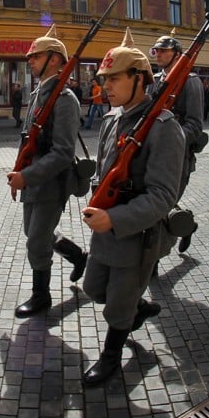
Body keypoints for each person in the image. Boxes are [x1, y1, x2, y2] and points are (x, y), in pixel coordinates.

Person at [79, 29, 185, 385]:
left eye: (113, 78)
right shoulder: (112, 118)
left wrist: (115, 217)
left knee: (116, 308)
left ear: (139, 79)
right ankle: (137, 308)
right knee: (94, 289)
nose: (105, 86)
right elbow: (103, 170)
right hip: (106, 230)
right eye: (102, 79)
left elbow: (162, 196)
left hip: (135, 234)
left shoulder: (164, 128)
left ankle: (111, 358)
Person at [6, 25, 83, 317]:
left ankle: (42, 296)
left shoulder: (64, 99)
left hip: (51, 182)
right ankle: (78, 256)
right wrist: (19, 172)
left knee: (37, 239)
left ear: (54, 59)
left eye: (36, 56)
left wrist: (27, 175)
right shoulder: (40, 92)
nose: (30, 60)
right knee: (34, 231)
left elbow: (64, 152)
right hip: (33, 179)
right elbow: (28, 139)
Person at [147, 33, 204, 256]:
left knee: (162, 210)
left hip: (178, 157)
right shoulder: (154, 81)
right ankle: (185, 225)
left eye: (164, 51)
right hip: (153, 155)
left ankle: (154, 259)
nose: (158, 54)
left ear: (178, 55)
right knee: (157, 204)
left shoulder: (190, 81)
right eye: (157, 50)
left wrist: (170, 140)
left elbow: (195, 125)